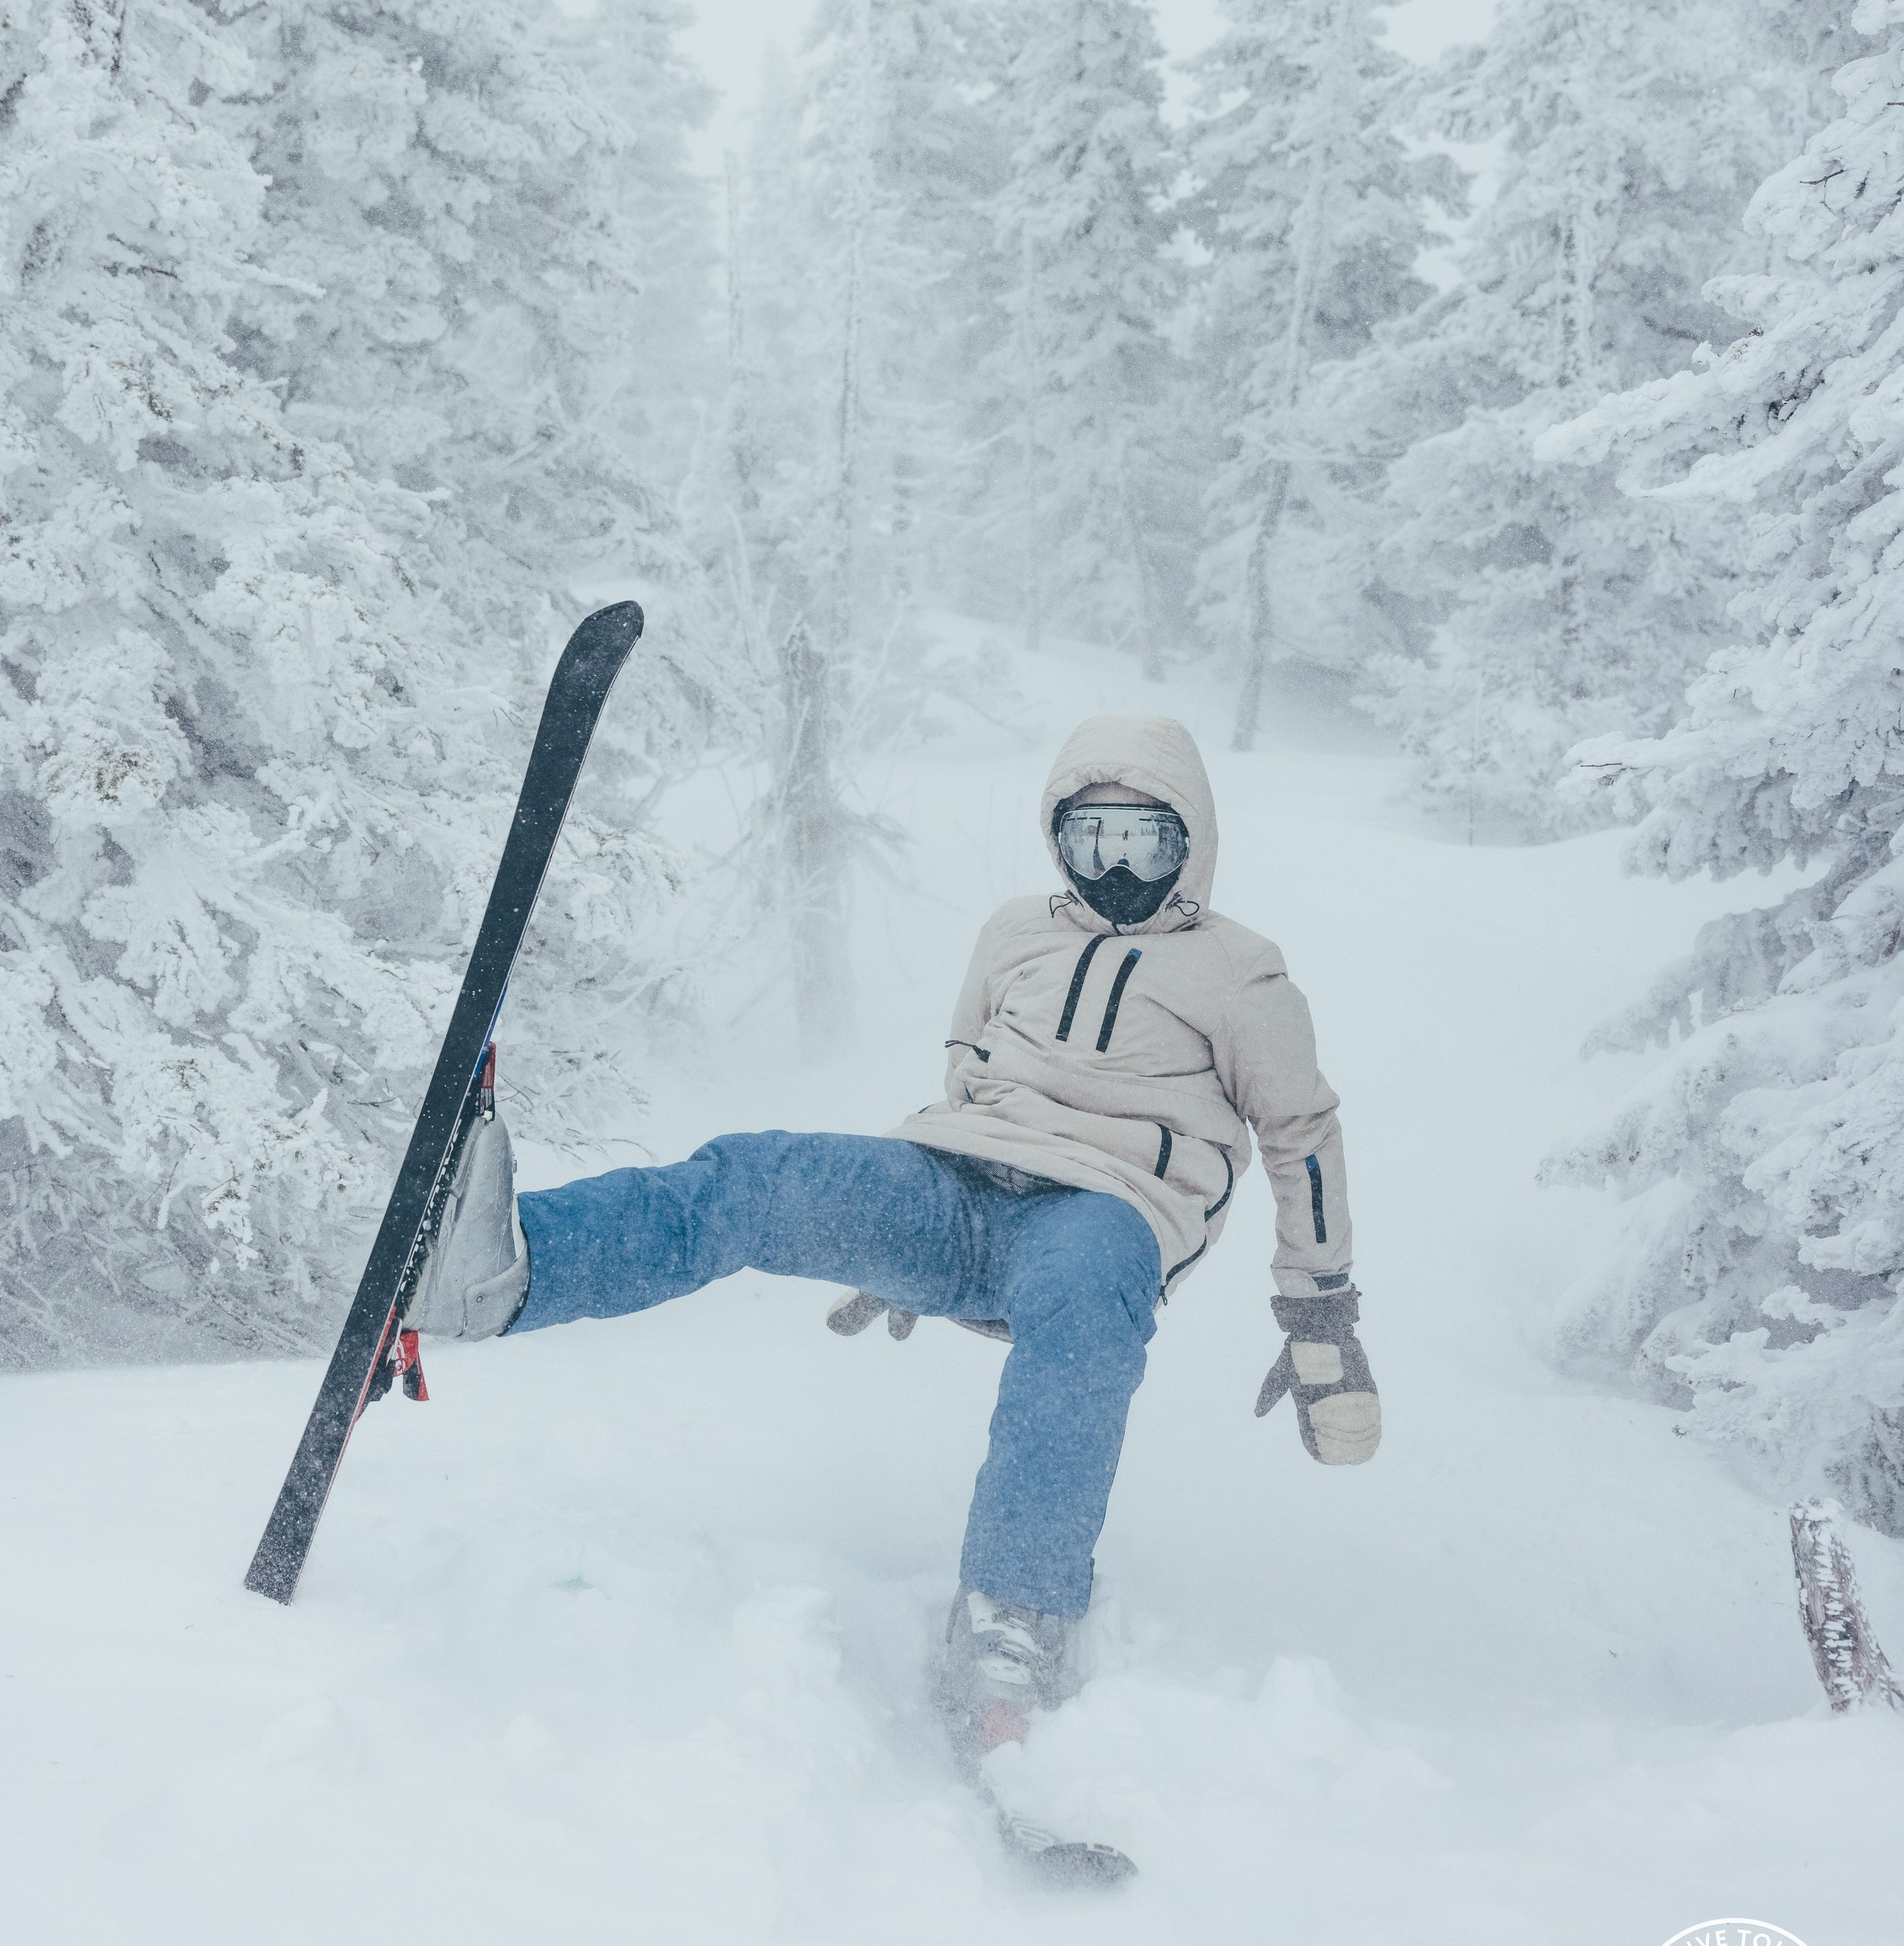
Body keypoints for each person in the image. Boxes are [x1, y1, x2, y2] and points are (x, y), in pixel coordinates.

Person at [411, 713, 1380, 1770]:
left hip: (1103, 1216)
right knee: (759, 1172)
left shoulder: (1242, 972)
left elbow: (1302, 1135)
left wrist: (1319, 1310)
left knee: (1084, 1312)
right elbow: (968, 1078)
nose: (1115, 867)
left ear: (1191, 840)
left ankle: (1013, 1617)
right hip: (957, 1191)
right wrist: (884, 1234)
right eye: (1090, 837)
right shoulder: (1015, 933)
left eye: (1145, 840)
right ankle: (510, 1270)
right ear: (1057, 837)